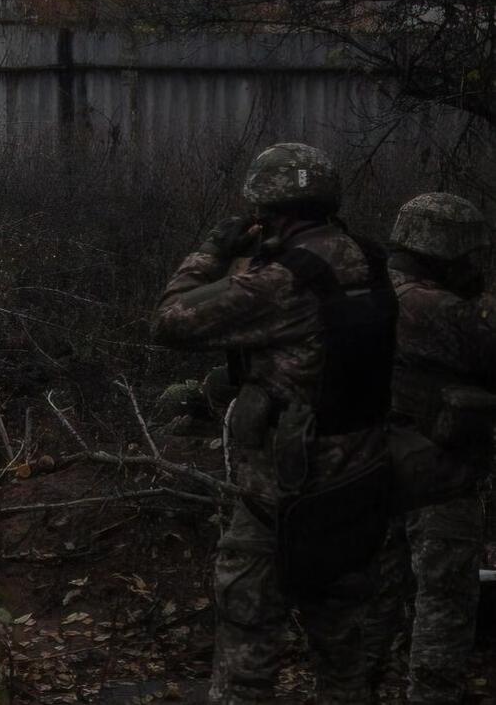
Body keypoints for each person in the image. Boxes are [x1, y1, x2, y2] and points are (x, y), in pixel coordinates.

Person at [152, 142, 398, 704]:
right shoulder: (371, 258)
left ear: (270, 210)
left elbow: (171, 322)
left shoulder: (286, 278)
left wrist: (212, 252)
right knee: (343, 654)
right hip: (360, 486)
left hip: (284, 498)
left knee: (247, 642)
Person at [364, 192, 496, 704]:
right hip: (437, 473)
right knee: (444, 599)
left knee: (375, 596)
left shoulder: (364, 291)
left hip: (366, 466)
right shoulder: (435, 307)